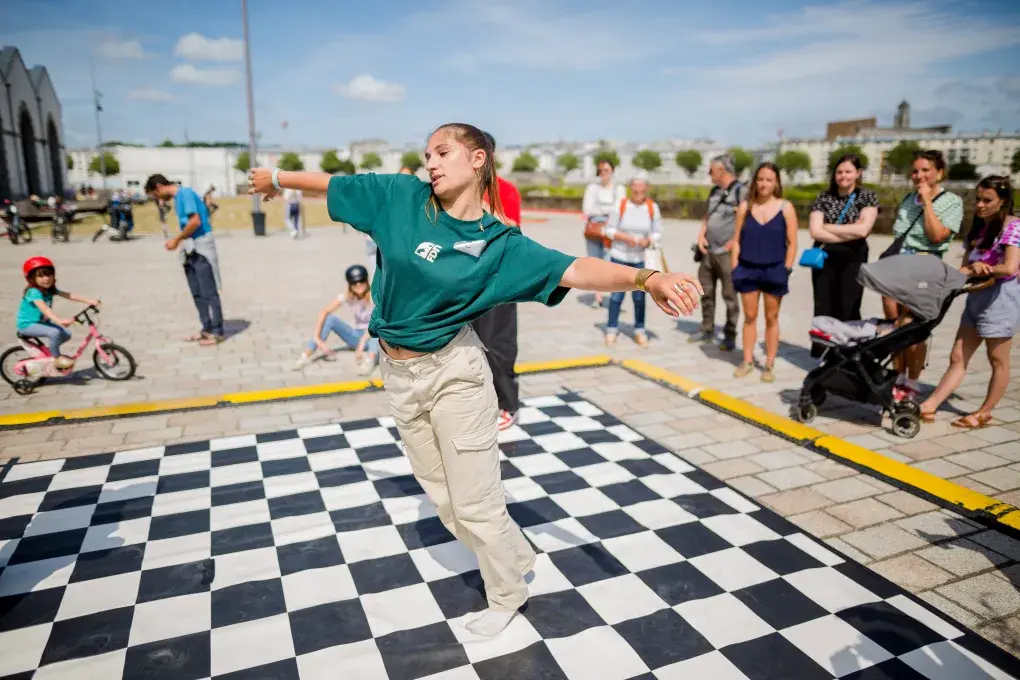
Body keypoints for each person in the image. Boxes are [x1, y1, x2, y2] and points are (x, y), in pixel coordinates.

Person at [247, 122, 703, 639]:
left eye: (443, 152)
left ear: (479, 159)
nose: (431, 162)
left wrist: (649, 278)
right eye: (427, 154)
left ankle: (507, 592)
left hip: (454, 373)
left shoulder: (498, 244)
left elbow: (573, 268)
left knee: (475, 504)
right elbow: (333, 183)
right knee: (444, 498)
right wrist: (276, 178)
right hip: (396, 372)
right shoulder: (399, 198)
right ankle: (515, 553)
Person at [920, 176, 1019, 428]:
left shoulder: (1013, 227)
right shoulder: (979, 228)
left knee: (997, 359)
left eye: (988, 200)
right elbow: (965, 265)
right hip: (975, 298)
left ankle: (985, 411)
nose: (981, 205)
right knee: (957, 356)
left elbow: (1009, 266)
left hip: (1001, 301)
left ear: (1003, 201)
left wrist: (982, 268)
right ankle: (930, 404)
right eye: (978, 199)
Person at [883, 150, 964, 402]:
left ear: (940, 173)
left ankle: (912, 382)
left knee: (914, 329)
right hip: (898, 265)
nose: (919, 176)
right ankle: (897, 377)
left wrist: (928, 201)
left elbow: (937, 236)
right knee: (894, 327)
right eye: (915, 171)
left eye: (926, 170)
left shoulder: (951, 202)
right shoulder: (908, 199)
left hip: (924, 267)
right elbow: (899, 234)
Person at [471, 132, 523, 430]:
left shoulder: (504, 190)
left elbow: (513, 229)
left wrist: (481, 207)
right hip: (468, 279)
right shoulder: (457, 189)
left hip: (500, 278)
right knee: (468, 345)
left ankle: (508, 404)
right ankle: (480, 402)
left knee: (496, 343)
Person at [731, 162, 798, 382]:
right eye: (760, 179)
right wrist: (735, 267)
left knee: (772, 317)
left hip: (774, 269)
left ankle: (769, 363)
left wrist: (786, 268)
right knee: (749, 317)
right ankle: (747, 360)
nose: (764, 183)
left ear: (776, 182)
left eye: (769, 179)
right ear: (755, 181)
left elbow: (792, 242)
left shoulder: (785, 207)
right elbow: (737, 239)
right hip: (748, 268)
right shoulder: (745, 207)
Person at [807, 154, 880, 357]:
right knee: (823, 304)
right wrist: (849, 231)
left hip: (853, 259)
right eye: (839, 172)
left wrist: (829, 228)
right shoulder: (824, 197)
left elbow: (863, 231)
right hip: (824, 259)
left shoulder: (867, 197)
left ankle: (848, 352)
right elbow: (815, 231)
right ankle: (824, 353)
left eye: (848, 171)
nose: (843, 176)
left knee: (849, 304)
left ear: (858, 173)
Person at [144, 173, 225, 346]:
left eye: (155, 195)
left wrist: (176, 239)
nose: (158, 199)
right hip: (189, 248)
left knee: (209, 291)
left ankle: (218, 331)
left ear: (158, 187)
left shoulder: (185, 194)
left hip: (200, 247)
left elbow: (195, 222)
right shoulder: (177, 198)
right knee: (196, 291)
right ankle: (206, 328)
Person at [603, 174, 662, 347]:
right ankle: (611, 329)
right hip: (619, 257)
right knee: (616, 296)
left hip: (640, 259)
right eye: (634, 186)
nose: (638, 189)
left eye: (641, 186)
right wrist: (623, 237)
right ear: (630, 187)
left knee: (639, 297)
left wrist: (649, 240)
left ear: (646, 188)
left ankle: (639, 330)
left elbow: (658, 232)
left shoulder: (652, 207)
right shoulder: (621, 205)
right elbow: (608, 230)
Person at [694, 154, 744, 351]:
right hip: (708, 251)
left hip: (727, 253)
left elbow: (746, 219)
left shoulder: (741, 191)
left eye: (711, 170)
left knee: (730, 295)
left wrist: (735, 242)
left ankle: (730, 334)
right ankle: (707, 329)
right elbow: (707, 215)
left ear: (721, 170)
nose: (709, 174)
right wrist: (701, 236)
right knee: (706, 291)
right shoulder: (714, 191)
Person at [293, 264, 380, 374]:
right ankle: (305, 355)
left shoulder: (374, 296)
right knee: (330, 318)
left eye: (361, 281)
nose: (359, 285)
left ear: (366, 281)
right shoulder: (348, 296)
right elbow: (324, 312)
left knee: (380, 330)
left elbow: (378, 322)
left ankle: (370, 361)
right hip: (356, 335)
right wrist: (317, 338)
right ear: (349, 284)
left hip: (373, 336)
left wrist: (362, 343)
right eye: (354, 283)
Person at [17, 256, 100, 368]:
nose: (46, 278)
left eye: (48, 275)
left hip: (41, 323)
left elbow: (69, 295)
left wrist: (89, 301)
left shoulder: (49, 290)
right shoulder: (33, 292)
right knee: (54, 333)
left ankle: (50, 351)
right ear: (32, 278)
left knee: (66, 334)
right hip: (27, 325)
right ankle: (56, 359)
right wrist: (59, 320)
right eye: (40, 276)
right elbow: (44, 309)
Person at [581, 159, 626, 308]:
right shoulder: (592, 188)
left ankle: (614, 295)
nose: (604, 174)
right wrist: (606, 211)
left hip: (611, 230)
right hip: (594, 229)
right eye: (601, 171)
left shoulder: (619, 189)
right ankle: (597, 296)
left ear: (612, 171)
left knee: (611, 262)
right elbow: (587, 209)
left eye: (606, 170)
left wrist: (601, 211)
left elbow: (619, 209)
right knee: (594, 262)